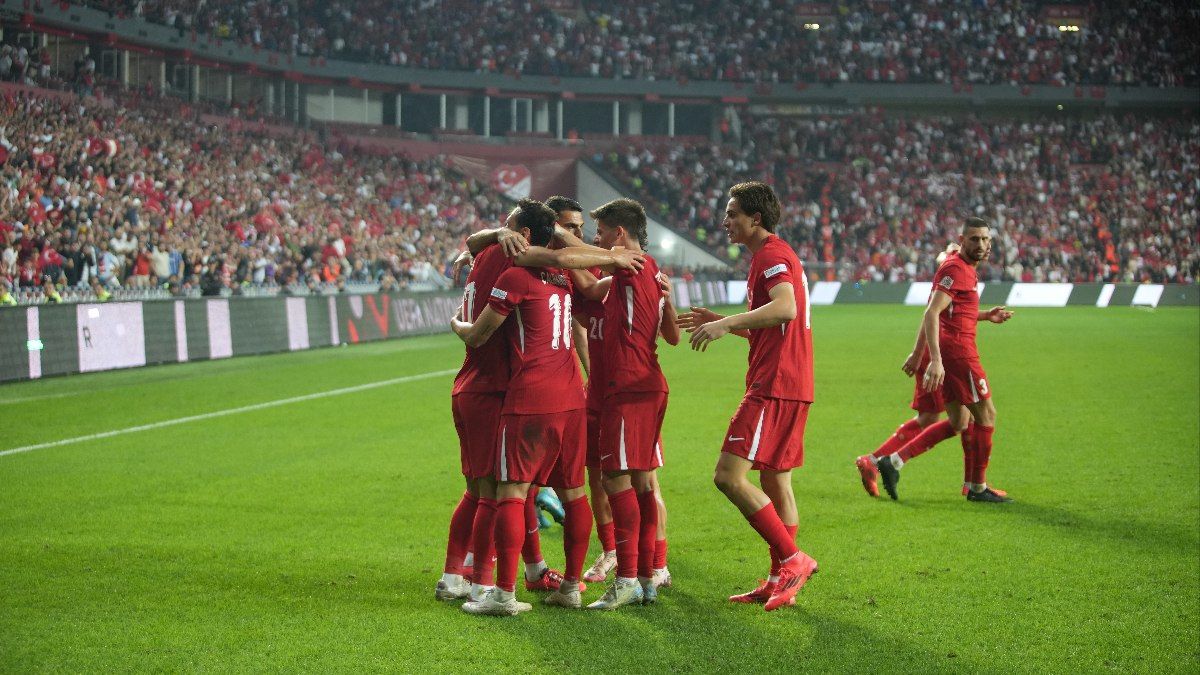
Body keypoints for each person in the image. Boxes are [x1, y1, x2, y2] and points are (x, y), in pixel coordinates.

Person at [435, 200, 644, 604]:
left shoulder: (510, 260)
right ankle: (486, 582)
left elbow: (479, 253)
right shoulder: (527, 260)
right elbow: (561, 259)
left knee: (500, 492)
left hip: (502, 388)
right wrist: (615, 258)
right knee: (507, 493)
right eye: (569, 228)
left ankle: (495, 578)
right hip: (508, 391)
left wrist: (457, 319)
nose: (577, 236)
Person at [449, 199, 597, 616]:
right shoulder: (567, 275)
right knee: (575, 493)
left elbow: (477, 336)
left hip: (530, 395)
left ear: (525, 235)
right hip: (572, 396)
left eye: (509, 226)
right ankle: (570, 586)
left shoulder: (515, 275)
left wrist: (456, 322)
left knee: (509, 493)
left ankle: (500, 592)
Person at [677, 182, 816, 612]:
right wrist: (724, 320)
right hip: (792, 382)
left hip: (774, 384)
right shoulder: (775, 254)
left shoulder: (771, 256)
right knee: (775, 480)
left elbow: (786, 308)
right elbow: (774, 325)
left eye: (732, 213)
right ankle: (777, 579)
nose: (725, 221)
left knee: (728, 477)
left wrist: (725, 323)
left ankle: (793, 560)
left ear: (756, 219)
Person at [545, 195, 673, 588]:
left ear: (618, 234)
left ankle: (646, 568)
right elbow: (585, 318)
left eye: (592, 231)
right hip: (604, 390)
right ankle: (627, 561)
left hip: (630, 388)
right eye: (574, 228)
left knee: (638, 480)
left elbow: (589, 286)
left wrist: (554, 231)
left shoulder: (627, 264)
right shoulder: (612, 271)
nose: (589, 237)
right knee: (605, 477)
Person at [873, 217, 1014, 503]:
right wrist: (934, 360)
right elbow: (932, 312)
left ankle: (894, 461)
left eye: (985, 239)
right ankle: (977, 488)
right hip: (959, 352)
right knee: (987, 415)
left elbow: (955, 311)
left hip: (952, 352)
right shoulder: (956, 268)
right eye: (974, 239)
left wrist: (986, 315)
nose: (981, 244)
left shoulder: (963, 269)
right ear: (962, 241)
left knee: (959, 420)